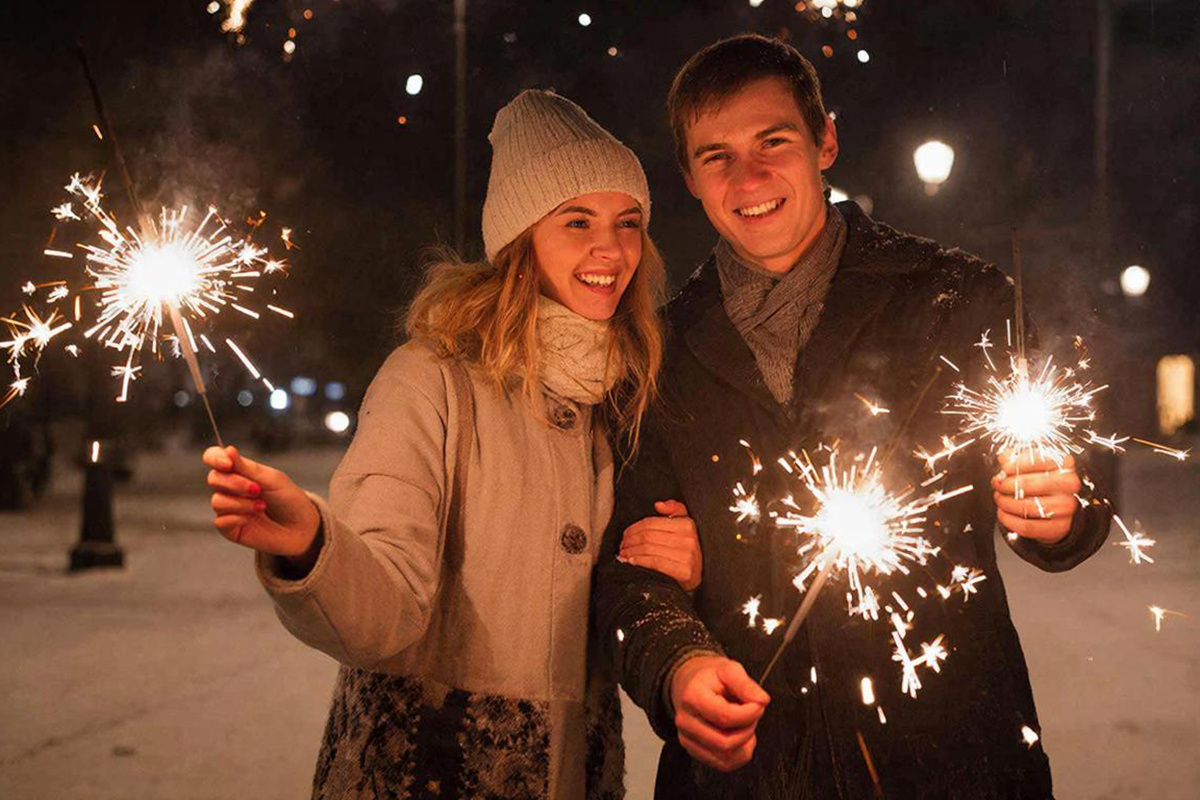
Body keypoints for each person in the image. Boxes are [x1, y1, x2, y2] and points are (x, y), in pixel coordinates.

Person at [593, 34, 1113, 798]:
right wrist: (678, 666)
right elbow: (628, 577)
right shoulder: (653, 359)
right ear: (689, 179)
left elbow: (1072, 457)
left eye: (774, 141)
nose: (751, 177)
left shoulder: (953, 300)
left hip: (951, 762)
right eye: (718, 156)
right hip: (747, 774)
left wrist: (1067, 507)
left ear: (825, 140)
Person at [202, 89, 702, 799]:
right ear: (521, 240)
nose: (610, 247)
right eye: (577, 220)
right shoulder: (431, 380)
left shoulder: (632, 393)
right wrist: (315, 542)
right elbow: (385, 609)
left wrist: (683, 563)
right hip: (429, 772)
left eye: (628, 221)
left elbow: (630, 595)